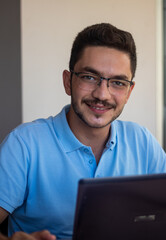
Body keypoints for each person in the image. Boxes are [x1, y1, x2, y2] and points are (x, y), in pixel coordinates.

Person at [0, 22, 166, 240]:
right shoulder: (24, 144)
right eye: (89, 77)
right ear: (68, 82)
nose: (102, 94)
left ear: (129, 91)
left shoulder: (142, 142)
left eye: (117, 82)